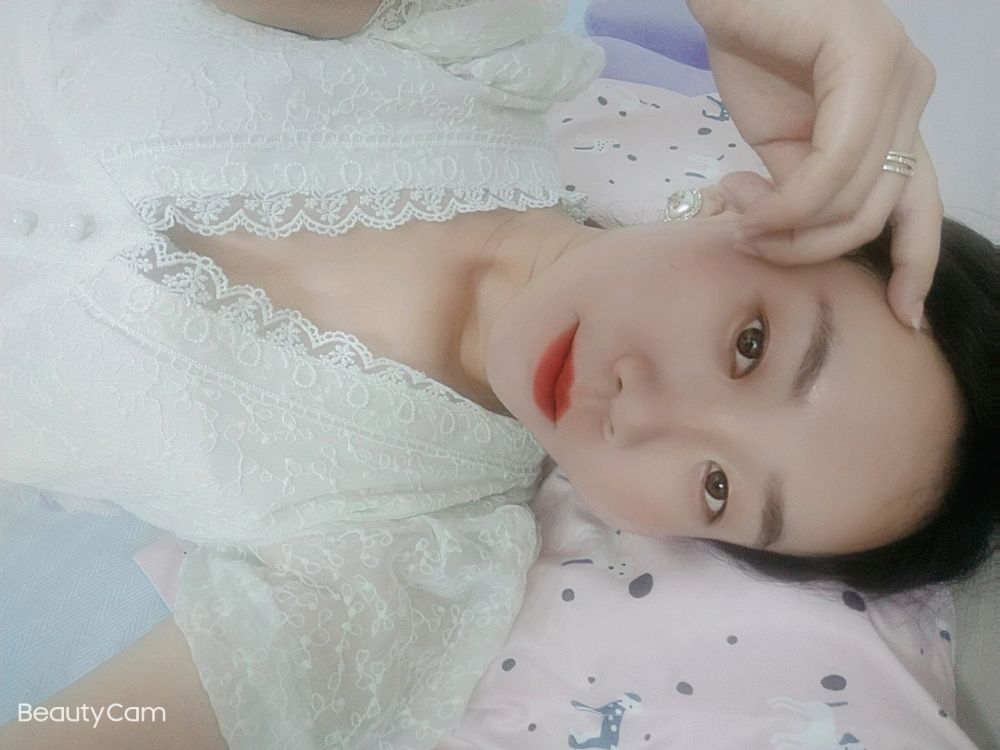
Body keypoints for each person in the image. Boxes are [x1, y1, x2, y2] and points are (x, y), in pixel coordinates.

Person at [0, 1, 994, 750]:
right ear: (748, 208)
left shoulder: (410, 561)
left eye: (718, 487)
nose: (643, 416)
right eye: (752, 346)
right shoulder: (471, 51)